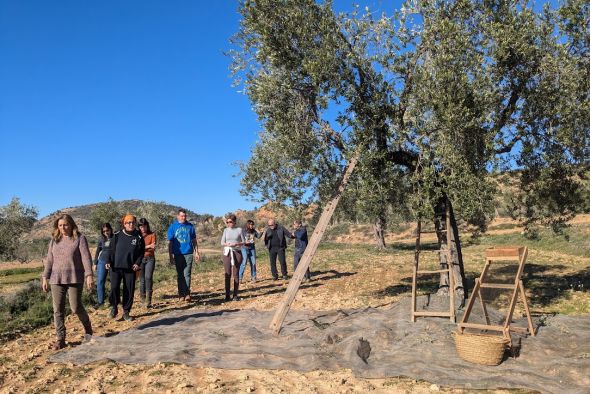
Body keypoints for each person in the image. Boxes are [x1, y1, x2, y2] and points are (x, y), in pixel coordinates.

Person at [42, 214, 93, 350]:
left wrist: (89, 275)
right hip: (56, 278)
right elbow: (49, 260)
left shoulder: (79, 238)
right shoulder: (54, 240)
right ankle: (61, 338)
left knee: (75, 307)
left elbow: (86, 258)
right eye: (60, 225)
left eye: (65, 225)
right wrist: (44, 277)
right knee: (57, 309)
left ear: (71, 225)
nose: (63, 228)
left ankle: (88, 330)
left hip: (74, 278)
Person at [106, 214, 144, 321]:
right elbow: (111, 250)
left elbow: (141, 253)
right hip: (115, 267)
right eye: (128, 222)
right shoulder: (117, 235)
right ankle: (114, 307)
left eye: (132, 222)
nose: (131, 224)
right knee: (114, 288)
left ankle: (126, 312)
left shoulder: (138, 236)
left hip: (130, 268)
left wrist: (137, 263)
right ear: (124, 224)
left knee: (129, 290)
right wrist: (108, 261)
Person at [167, 209, 200, 302]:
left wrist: (196, 252)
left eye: (185, 216)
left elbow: (194, 240)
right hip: (178, 254)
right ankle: (181, 294)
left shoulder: (190, 226)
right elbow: (170, 243)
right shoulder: (173, 227)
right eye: (181, 216)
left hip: (188, 253)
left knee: (187, 274)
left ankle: (187, 294)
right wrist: (170, 256)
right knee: (180, 274)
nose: (183, 218)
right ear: (178, 216)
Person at [221, 214, 244, 301]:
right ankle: (227, 295)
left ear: (234, 222)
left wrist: (237, 244)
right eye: (227, 222)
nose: (228, 223)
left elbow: (243, 241)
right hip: (227, 252)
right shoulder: (225, 230)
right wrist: (226, 244)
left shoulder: (239, 230)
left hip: (237, 252)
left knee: (236, 274)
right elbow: (222, 242)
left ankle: (235, 295)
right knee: (227, 274)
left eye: (230, 222)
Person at [94, 223, 113, 308]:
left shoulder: (115, 238)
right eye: (104, 231)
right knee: (100, 282)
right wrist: (95, 263)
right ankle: (100, 301)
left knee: (114, 282)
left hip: (113, 262)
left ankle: (113, 300)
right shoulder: (101, 239)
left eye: (107, 230)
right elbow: (98, 251)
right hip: (102, 261)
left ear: (110, 229)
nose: (106, 232)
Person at [138, 218, 156, 308]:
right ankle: (142, 299)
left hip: (150, 258)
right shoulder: (137, 235)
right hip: (140, 259)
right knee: (142, 280)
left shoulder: (152, 234)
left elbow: (153, 247)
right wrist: (148, 246)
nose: (143, 228)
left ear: (147, 226)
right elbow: (137, 248)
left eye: (144, 226)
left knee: (148, 277)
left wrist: (143, 247)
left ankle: (148, 301)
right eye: (141, 226)